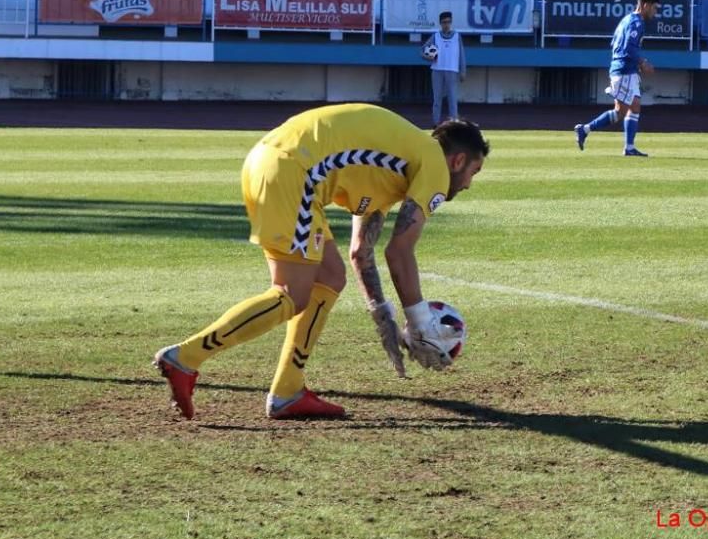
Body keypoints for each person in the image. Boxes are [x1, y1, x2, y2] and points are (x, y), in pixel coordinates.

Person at [154, 104, 490, 420]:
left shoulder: (399, 162)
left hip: (276, 163)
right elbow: (399, 252)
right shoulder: (432, 160)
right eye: (474, 172)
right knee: (291, 293)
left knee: (329, 276)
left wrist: (383, 316)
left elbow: (361, 251)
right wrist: (419, 323)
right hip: (294, 172)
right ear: (458, 161)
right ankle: (186, 357)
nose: (469, 184)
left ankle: (288, 390)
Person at [574, 0, 660, 157]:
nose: (655, 12)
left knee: (634, 107)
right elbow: (628, 47)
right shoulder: (636, 23)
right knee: (621, 111)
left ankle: (629, 147)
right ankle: (584, 129)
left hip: (626, 69)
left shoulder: (626, 20)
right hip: (625, 70)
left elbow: (615, 43)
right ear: (645, 5)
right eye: (654, 8)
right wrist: (642, 62)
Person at [423, 12, 467, 127]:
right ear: (440, 23)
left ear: (451, 22)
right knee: (437, 99)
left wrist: (463, 70)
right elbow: (423, 50)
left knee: (452, 98)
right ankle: (436, 123)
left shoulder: (457, 36)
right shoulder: (435, 36)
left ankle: (454, 123)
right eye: (444, 22)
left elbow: (461, 54)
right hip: (437, 70)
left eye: (448, 22)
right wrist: (428, 57)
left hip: (452, 70)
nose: (446, 25)